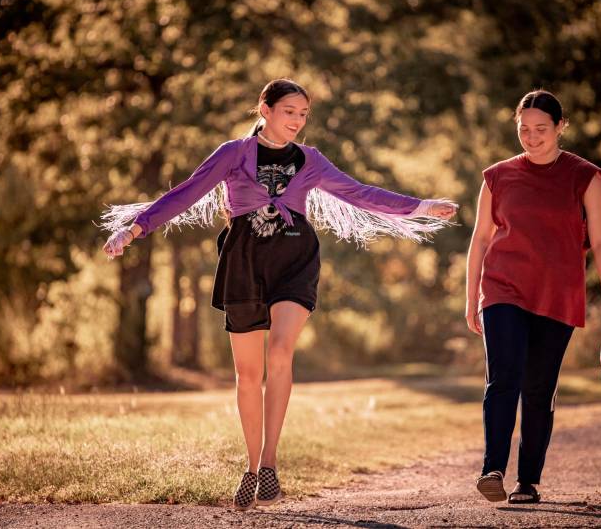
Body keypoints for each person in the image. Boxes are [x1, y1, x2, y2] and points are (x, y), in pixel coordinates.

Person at [101, 78, 457, 511]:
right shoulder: (234, 154)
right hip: (244, 263)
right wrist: (135, 227)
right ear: (264, 109)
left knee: (281, 353)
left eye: (304, 114)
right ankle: (252, 468)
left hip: (294, 261)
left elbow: (360, 193)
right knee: (248, 375)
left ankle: (270, 461)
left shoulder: (311, 160)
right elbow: (186, 193)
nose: (298, 120)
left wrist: (420, 206)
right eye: (290, 111)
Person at [465, 89, 601, 504]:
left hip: (558, 293)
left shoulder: (584, 176)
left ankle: (527, 480)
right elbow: (480, 239)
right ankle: (492, 469)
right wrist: (471, 297)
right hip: (502, 288)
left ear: (560, 127)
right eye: (524, 129)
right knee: (504, 377)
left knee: (538, 388)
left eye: (540, 129)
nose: (531, 137)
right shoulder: (496, 176)